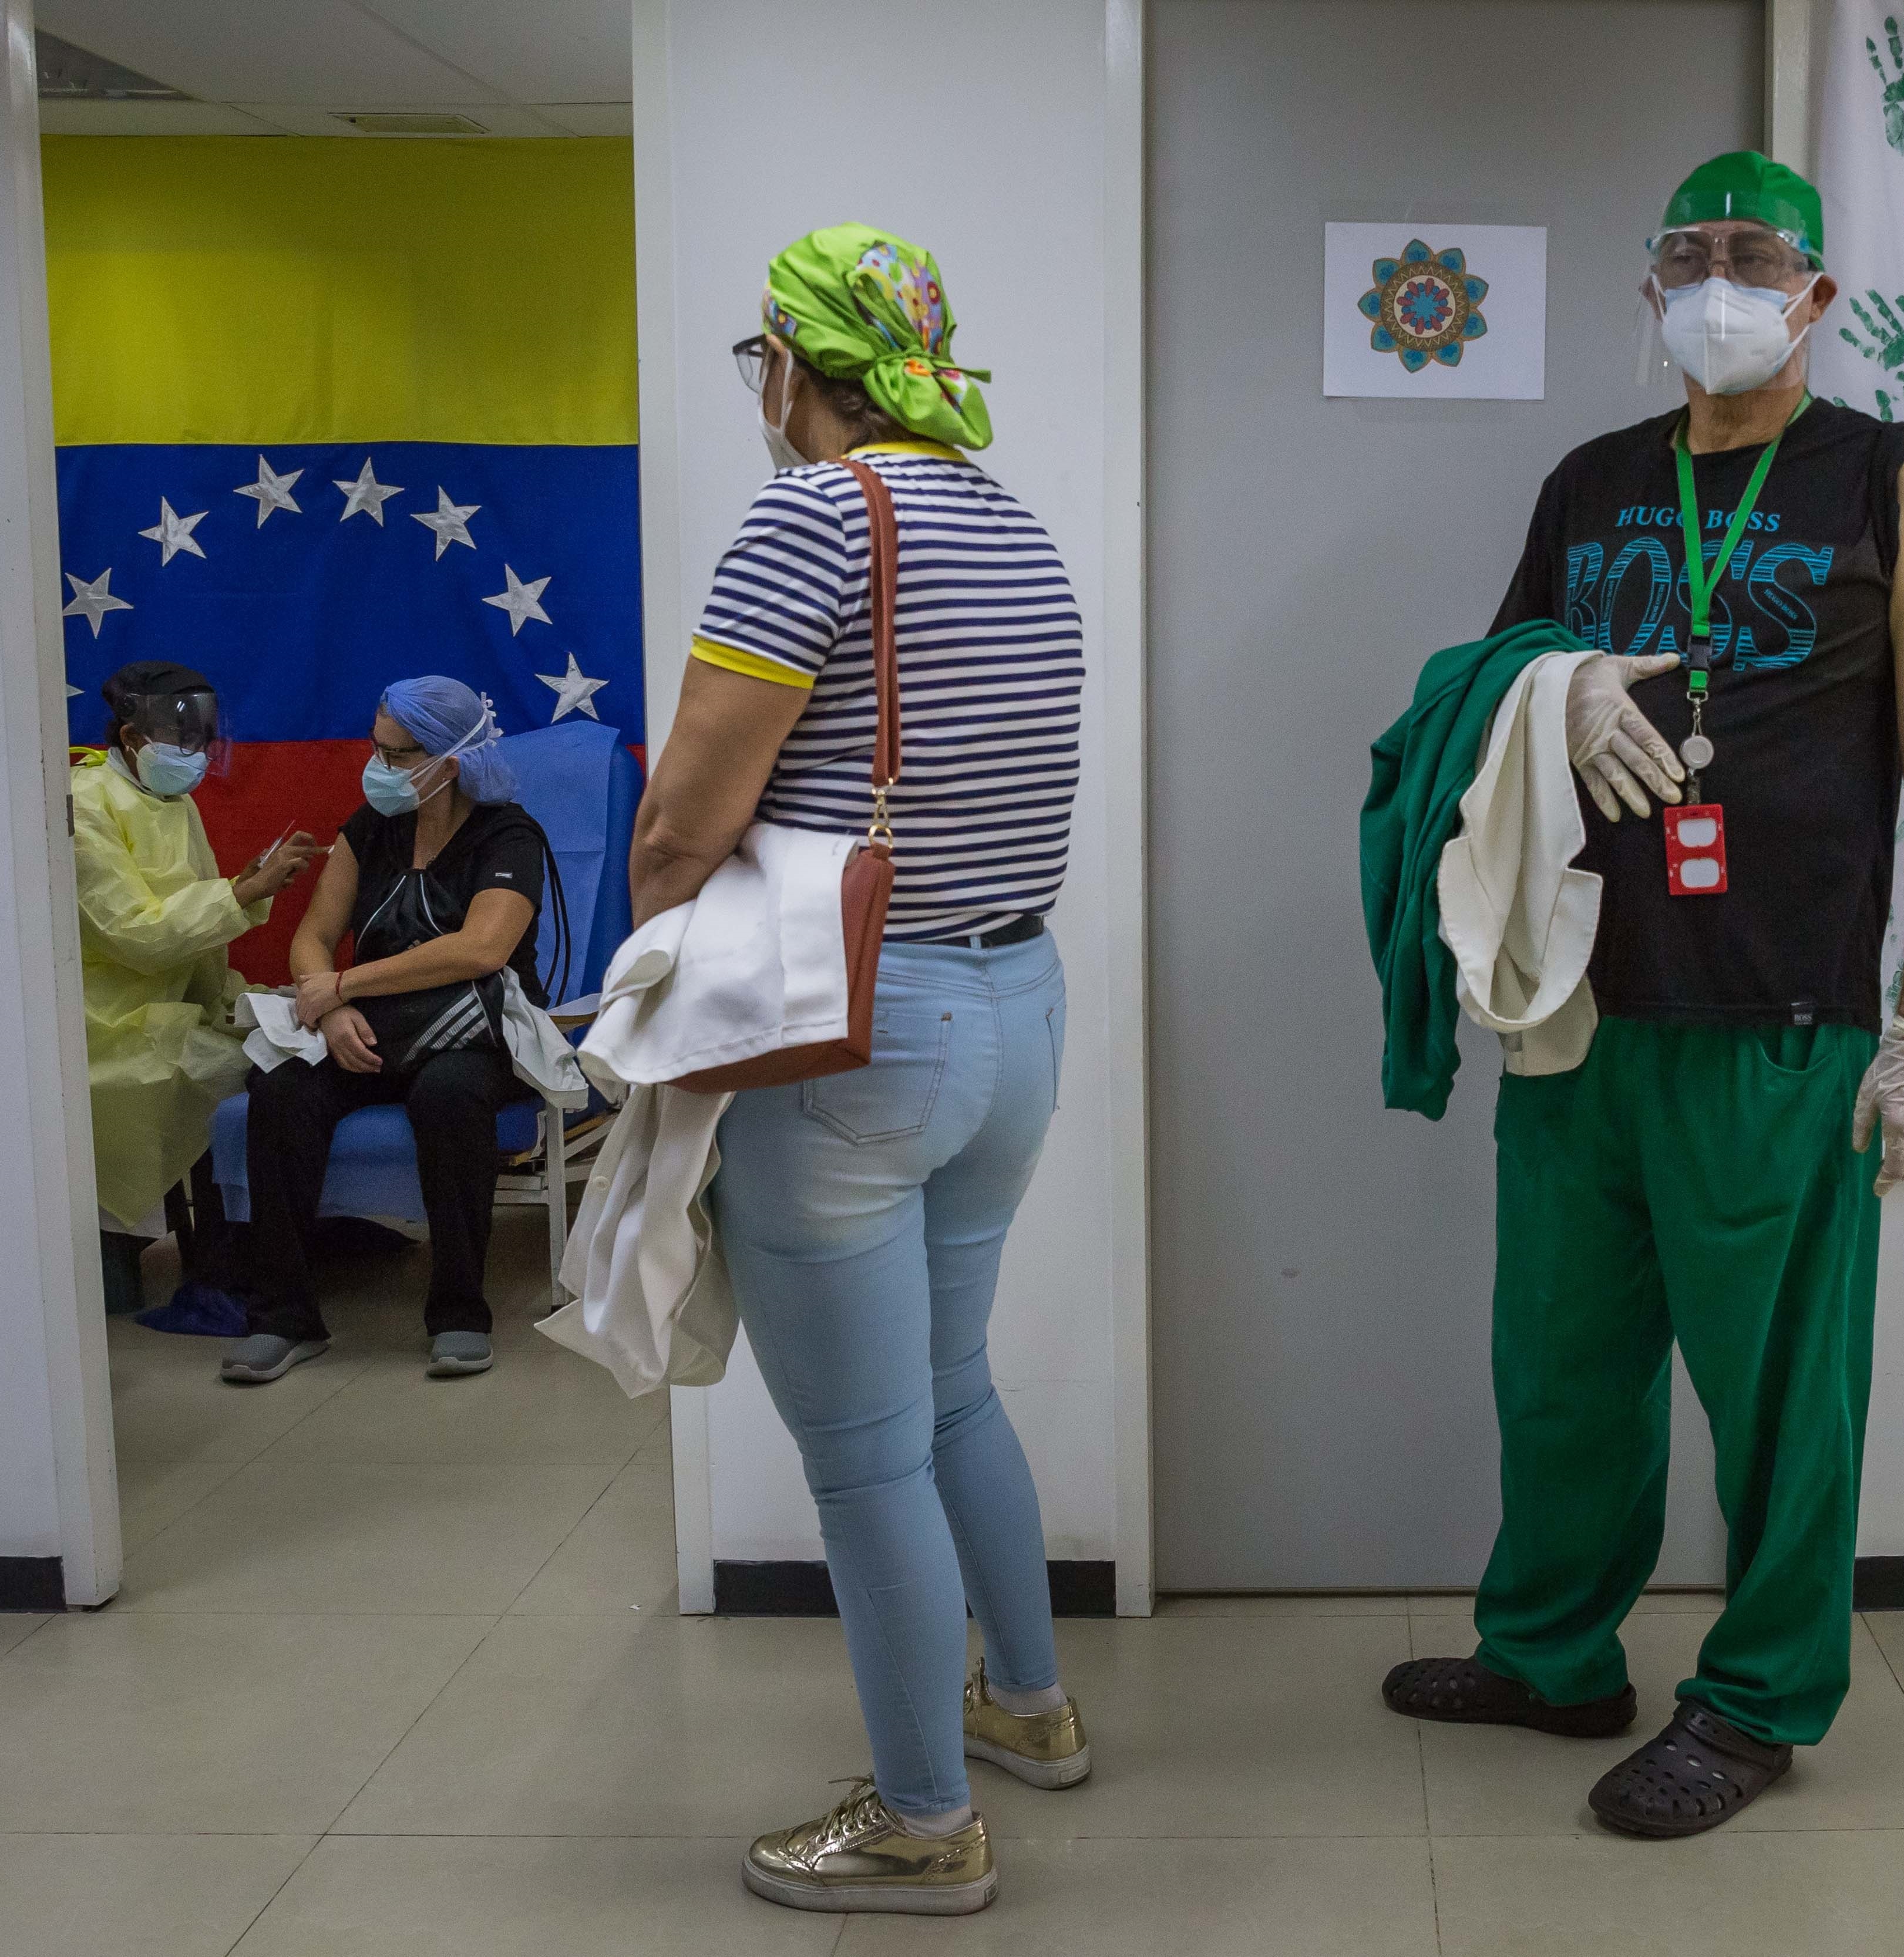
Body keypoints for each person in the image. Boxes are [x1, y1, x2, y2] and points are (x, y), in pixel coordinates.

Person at [1380, 152, 1904, 1837]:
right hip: (1580, 998)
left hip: (1785, 1018)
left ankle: (1761, 1697)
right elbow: (1476, 684)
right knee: (1561, 1368)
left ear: (1814, 297)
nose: (1721, 283)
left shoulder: (1891, 479)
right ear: (1654, 294)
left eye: (1755, 256)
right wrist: (1560, 686)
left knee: (1786, 1387)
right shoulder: (1589, 482)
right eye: (1690, 256)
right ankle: (1554, 1651)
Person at [635, 224, 1084, 1916]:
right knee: (954, 1384)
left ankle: (922, 1818)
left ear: (794, 368)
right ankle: (1028, 1708)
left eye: (763, 364)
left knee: (867, 1453)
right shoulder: (1014, 521)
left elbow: (688, 816)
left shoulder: (812, 517)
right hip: (1014, 1005)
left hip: (852, 1039)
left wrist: (653, 989)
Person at [221, 676, 551, 1385]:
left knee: (450, 1094)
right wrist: (332, 1009)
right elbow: (312, 937)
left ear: (449, 763)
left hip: (476, 1030)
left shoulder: (508, 835)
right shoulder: (369, 829)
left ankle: (460, 1313)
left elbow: (481, 950)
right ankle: (282, 1317)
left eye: (397, 756)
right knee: (279, 1085)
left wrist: (343, 988)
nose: (379, 767)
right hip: (368, 1024)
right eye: (377, 748)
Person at [73, 661, 318, 1316]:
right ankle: (218, 1261)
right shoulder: (84, 805)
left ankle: (266, 1242)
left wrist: (246, 1000)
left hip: (177, 1012)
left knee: (284, 1045)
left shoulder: (170, 801)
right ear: (130, 738)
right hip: (109, 1028)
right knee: (246, 1075)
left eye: (202, 740)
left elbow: (199, 935)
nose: (195, 755)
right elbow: (132, 932)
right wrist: (242, 893)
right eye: (180, 740)